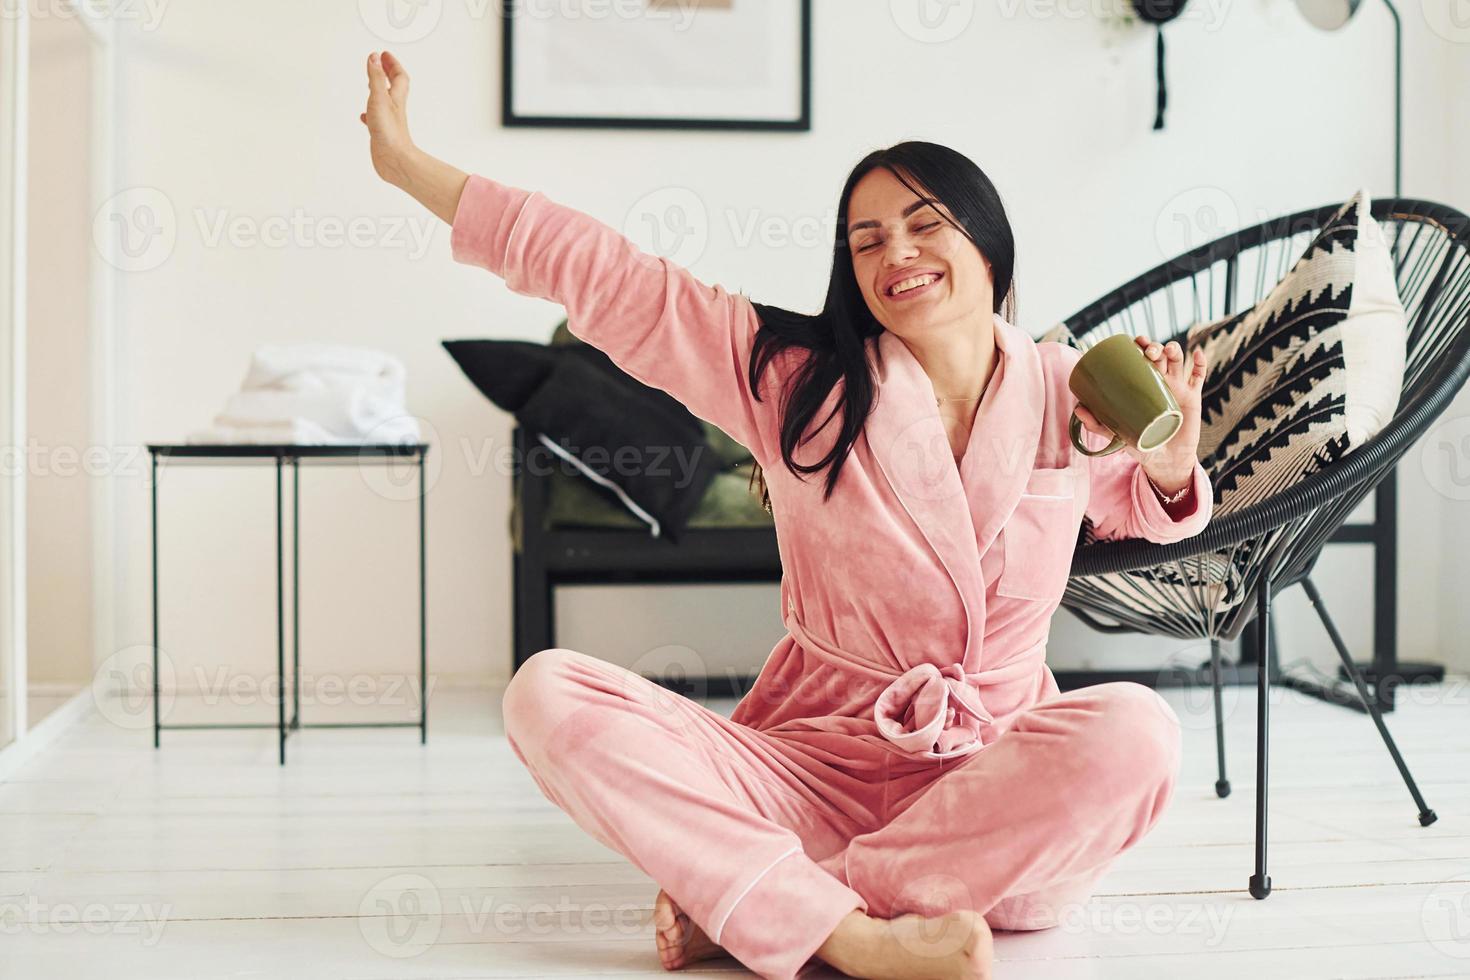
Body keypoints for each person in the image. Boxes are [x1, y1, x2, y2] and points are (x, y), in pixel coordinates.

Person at [360, 49, 1212, 980]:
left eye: (925, 225)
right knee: (545, 693)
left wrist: (1170, 458)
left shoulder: (1066, 391)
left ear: (988, 243)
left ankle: (772, 903)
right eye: (867, 240)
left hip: (996, 795)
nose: (897, 255)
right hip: (810, 774)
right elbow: (610, 277)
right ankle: (855, 937)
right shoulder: (796, 383)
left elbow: (1149, 516)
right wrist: (411, 166)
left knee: (1139, 731)